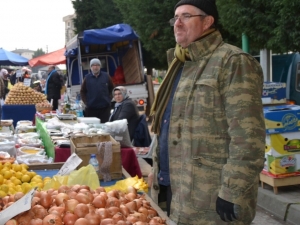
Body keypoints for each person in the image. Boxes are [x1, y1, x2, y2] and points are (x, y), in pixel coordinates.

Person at [148, 0, 266, 224]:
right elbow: (168, 126)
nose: (177, 23)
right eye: (175, 18)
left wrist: (232, 190)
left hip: (210, 198)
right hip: (174, 188)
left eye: (186, 16)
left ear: (207, 21)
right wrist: (158, 171)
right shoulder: (179, 64)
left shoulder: (232, 62)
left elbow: (248, 138)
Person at [80, 58, 114, 123]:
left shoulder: (106, 76)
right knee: (92, 128)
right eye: (93, 65)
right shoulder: (87, 78)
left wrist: (109, 99)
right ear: (91, 67)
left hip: (105, 109)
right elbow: (82, 91)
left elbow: (112, 88)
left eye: (97, 65)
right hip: (91, 109)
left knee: (105, 127)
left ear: (100, 66)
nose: (95, 67)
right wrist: (86, 102)